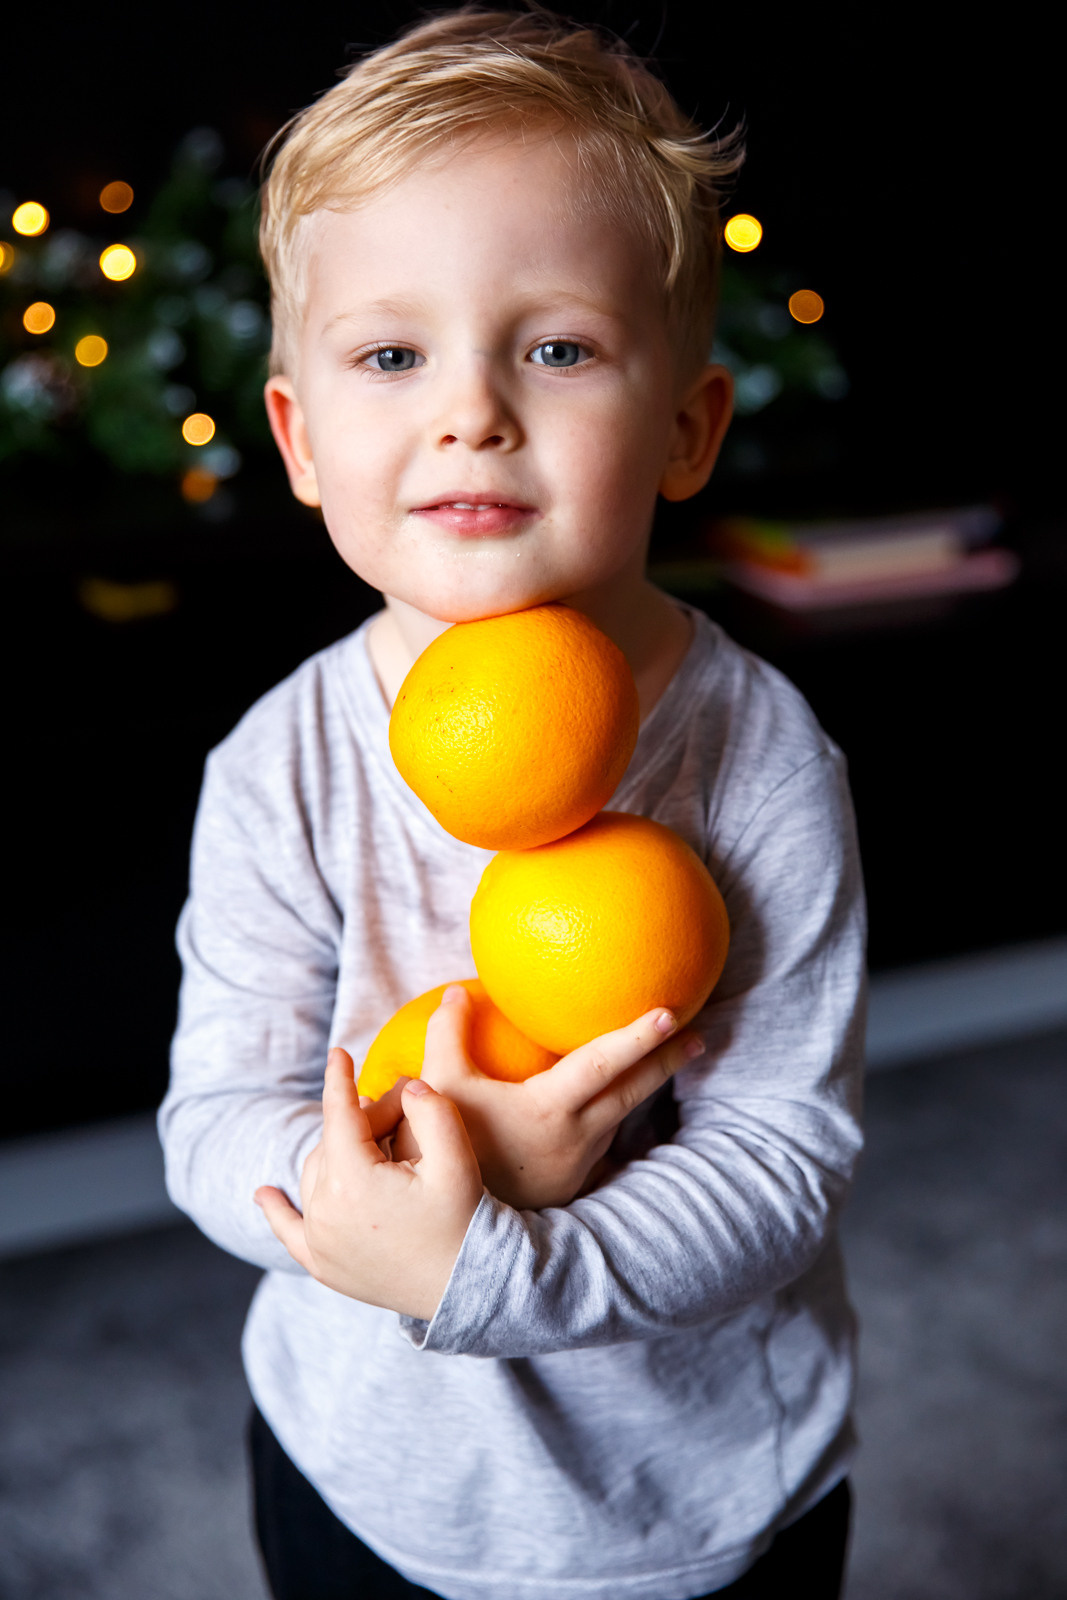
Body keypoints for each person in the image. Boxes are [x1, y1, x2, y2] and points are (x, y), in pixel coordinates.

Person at [159, 9, 866, 1598]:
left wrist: (505, 1260)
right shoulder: (286, 761)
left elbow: (780, 1153)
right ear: (300, 438)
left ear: (686, 428)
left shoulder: (759, 752)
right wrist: (378, 1220)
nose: (470, 410)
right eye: (391, 355)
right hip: (366, 1471)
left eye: (555, 347)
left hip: (696, 1498)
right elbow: (214, 1120)